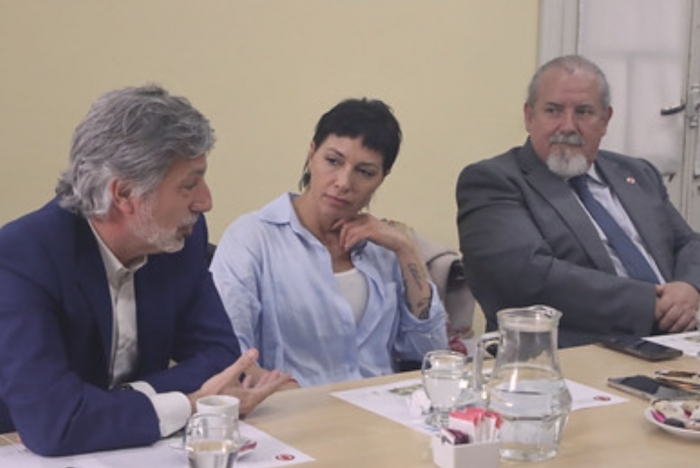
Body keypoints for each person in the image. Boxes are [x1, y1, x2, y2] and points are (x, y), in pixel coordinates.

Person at [0, 85, 291, 456]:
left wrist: (122, 399)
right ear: (123, 194)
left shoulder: (178, 240)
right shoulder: (22, 258)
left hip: (132, 450)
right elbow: (55, 423)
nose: (206, 202)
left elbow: (219, 358)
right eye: (189, 185)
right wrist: (188, 404)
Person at [456, 55, 700, 348]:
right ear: (529, 116)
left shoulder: (637, 173)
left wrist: (689, 287)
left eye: (584, 112)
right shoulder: (493, 181)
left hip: (683, 338)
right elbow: (527, 278)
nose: (568, 125)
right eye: (553, 111)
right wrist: (651, 304)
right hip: (579, 353)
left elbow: (688, 243)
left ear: (605, 120)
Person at [210, 98, 448, 386]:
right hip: (292, 406)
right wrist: (287, 392)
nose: (343, 182)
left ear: (382, 178)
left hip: (383, 406)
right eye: (333, 161)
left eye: (365, 172)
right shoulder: (253, 238)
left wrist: (406, 249)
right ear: (312, 154)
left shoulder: (383, 248)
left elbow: (431, 356)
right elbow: (227, 356)